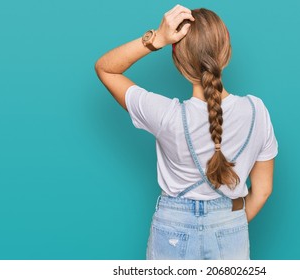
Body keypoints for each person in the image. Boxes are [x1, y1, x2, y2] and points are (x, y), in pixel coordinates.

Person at [94, 4, 278, 260]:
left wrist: (157, 38)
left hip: (172, 230)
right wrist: (225, 223)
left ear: (178, 60)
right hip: (231, 226)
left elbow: (105, 68)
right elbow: (263, 190)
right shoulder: (256, 111)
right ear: (227, 50)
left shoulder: (165, 114)